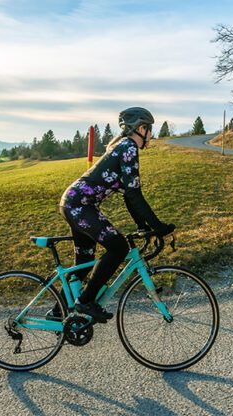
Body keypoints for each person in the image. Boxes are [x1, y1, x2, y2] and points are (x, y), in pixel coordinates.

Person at [57, 106, 175, 323]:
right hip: (80, 206)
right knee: (118, 246)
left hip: (73, 203)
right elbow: (135, 194)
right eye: (150, 130)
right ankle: (86, 301)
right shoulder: (129, 147)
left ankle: (58, 313)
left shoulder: (121, 147)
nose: (151, 135)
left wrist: (142, 226)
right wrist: (158, 226)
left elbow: (129, 196)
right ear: (141, 128)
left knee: (85, 260)